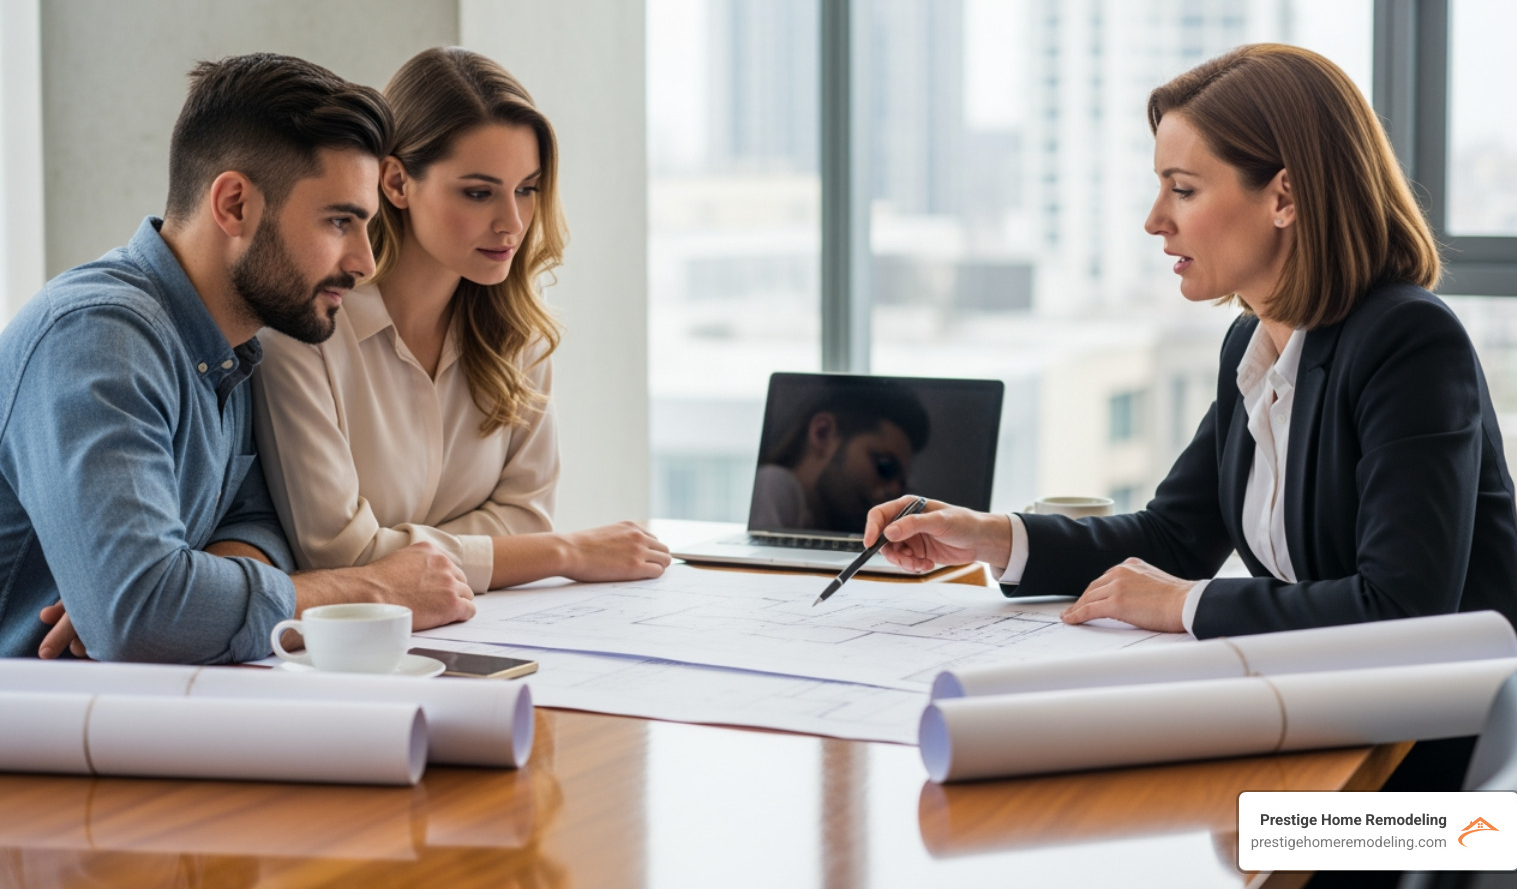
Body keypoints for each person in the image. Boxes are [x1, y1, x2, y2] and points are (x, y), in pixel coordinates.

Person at [868, 43, 1517, 657]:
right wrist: (987, 537)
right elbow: (1175, 537)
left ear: (1286, 197)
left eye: (1183, 189)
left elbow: (1402, 609)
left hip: (1439, 747)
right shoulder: (1254, 345)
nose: (1155, 220)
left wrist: (1185, 603)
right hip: (1323, 703)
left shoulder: (1408, 342)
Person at [0, 53, 478, 664]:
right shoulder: (98, 339)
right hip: (38, 738)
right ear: (234, 205)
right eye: (340, 221)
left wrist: (190, 593)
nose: (364, 262)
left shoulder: (235, 345)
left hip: (133, 717)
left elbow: (257, 526)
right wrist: (377, 588)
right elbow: (142, 615)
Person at [251, 47, 670, 593]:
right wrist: (563, 553)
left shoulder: (518, 334)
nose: (513, 223)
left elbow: (527, 519)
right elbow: (340, 550)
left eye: (526, 189)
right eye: (479, 193)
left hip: (479, 626)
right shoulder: (306, 331)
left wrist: (408, 550)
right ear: (396, 183)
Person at [751, 385, 929, 531]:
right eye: (884, 465)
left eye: (902, 483)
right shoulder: (775, 482)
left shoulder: (823, 514)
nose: (894, 491)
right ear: (823, 433)